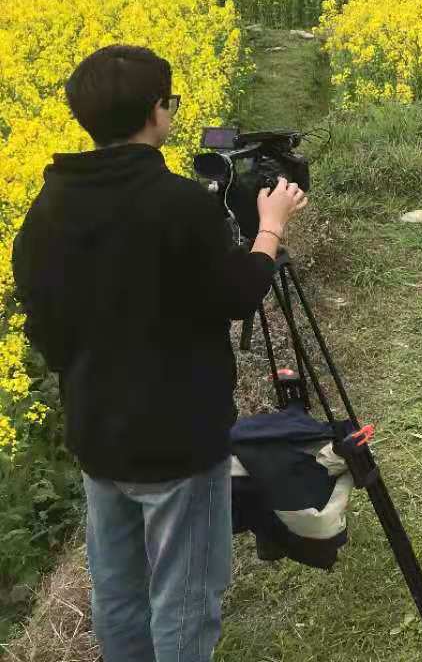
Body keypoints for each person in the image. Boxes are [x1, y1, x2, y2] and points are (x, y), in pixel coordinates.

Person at [11, 44, 309, 662]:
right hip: (178, 441)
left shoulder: (43, 213)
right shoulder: (181, 205)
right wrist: (271, 225)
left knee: (118, 593)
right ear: (156, 111)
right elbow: (237, 295)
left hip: (97, 433)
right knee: (184, 599)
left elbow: (46, 334)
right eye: (170, 101)